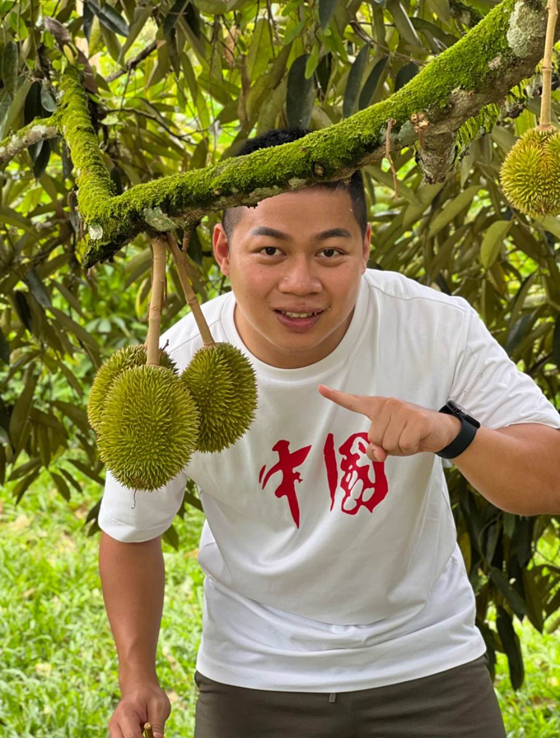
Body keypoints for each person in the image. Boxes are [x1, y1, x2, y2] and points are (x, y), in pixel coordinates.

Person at [98, 128, 560, 738]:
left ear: (367, 247)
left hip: (426, 662)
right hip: (254, 676)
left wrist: (453, 434)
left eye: (330, 252)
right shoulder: (174, 369)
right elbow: (131, 530)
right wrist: (137, 679)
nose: (301, 282)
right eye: (270, 251)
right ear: (221, 248)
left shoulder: (431, 327)